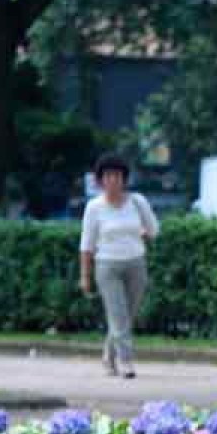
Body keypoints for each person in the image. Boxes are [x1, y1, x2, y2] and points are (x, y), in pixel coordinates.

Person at [78, 153, 158, 378]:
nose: (113, 180)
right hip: (107, 265)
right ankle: (125, 361)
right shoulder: (94, 208)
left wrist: (139, 234)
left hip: (136, 263)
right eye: (108, 176)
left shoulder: (137, 202)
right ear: (100, 181)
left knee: (126, 315)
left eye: (117, 176)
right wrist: (85, 276)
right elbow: (87, 244)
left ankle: (108, 354)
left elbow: (153, 230)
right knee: (118, 314)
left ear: (124, 179)